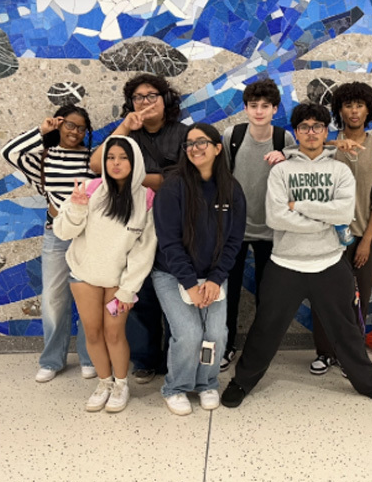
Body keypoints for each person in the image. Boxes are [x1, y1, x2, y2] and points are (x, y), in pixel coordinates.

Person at [221, 103, 372, 408]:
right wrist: (322, 218)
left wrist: (297, 206)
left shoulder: (340, 170)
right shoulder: (281, 170)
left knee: (347, 330)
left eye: (317, 127)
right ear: (296, 132)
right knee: (265, 328)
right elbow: (276, 218)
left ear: (326, 132)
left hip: (329, 262)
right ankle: (242, 381)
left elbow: (343, 212)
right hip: (285, 263)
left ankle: (368, 383)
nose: (311, 132)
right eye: (304, 127)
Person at [90, 74, 189, 385]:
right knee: (136, 291)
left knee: (175, 294)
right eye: (138, 97)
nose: (145, 102)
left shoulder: (184, 134)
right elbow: (97, 166)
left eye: (152, 95)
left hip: (174, 223)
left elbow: (181, 178)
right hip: (132, 225)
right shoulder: (127, 136)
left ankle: (175, 359)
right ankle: (145, 360)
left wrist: (130, 176)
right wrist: (124, 128)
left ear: (166, 99)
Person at [55, 136, 157, 413]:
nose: (116, 163)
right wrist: (77, 207)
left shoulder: (146, 198)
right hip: (84, 275)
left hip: (118, 281)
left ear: (135, 162)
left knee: (114, 334)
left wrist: (128, 289)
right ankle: (104, 383)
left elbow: (144, 250)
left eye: (123, 158)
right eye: (110, 157)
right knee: (92, 332)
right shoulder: (90, 189)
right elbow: (63, 232)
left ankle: (121, 385)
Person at [152, 124, 246, 415]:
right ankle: (176, 387)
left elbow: (234, 240)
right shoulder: (172, 188)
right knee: (189, 334)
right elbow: (168, 242)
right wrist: (190, 284)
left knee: (216, 334)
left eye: (201, 142)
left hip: (214, 274)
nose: (194, 148)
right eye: (189, 144)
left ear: (217, 148)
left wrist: (216, 279)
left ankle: (207, 383)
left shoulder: (232, 189)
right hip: (172, 274)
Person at [0, 104, 96, 383]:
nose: (75, 132)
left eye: (81, 128)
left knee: (89, 298)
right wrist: (42, 131)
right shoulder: (43, 158)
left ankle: (90, 357)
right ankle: (52, 360)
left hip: (89, 237)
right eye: (70, 125)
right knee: (54, 298)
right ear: (60, 124)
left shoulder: (92, 159)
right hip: (56, 235)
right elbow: (9, 153)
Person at [308, 81, 372, 376]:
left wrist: (366, 240)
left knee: (358, 300)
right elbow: (303, 153)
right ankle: (325, 352)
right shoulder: (325, 143)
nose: (354, 111)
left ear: (369, 110)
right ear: (339, 110)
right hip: (326, 236)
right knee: (324, 297)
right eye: (348, 105)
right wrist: (333, 145)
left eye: (359, 105)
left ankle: (350, 355)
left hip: (362, 236)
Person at [223, 79, 294, 372]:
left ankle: (260, 349)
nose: (259, 111)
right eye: (254, 106)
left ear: (275, 109)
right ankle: (226, 345)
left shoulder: (284, 138)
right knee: (229, 294)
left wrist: (287, 157)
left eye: (266, 106)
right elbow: (222, 177)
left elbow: (298, 172)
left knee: (268, 296)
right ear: (246, 108)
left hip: (271, 231)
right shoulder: (233, 135)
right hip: (235, 230)